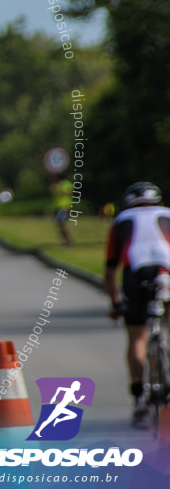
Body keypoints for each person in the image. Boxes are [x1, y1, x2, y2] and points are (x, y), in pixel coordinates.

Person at [105, 181, 170, 428]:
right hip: (166, 271)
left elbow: (111, 270)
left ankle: (140, 401)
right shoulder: (168, 214)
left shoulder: (121, 220)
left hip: (136, 274)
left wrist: (115, 303)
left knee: (137, 339)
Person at [52, 177, 74, 247]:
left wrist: (60, 187)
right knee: (59, 225)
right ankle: (66, 241)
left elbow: (67, 193)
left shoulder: (67, 184)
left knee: (62, 224)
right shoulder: (56, 185)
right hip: (58, 207)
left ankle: (69, 241)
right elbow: (53, 192)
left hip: (65, 207)